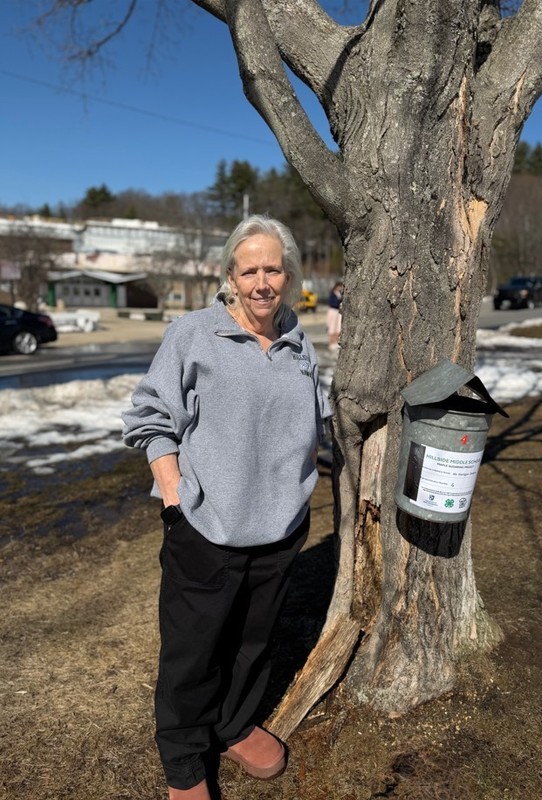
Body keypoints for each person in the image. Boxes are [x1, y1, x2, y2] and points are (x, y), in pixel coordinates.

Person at [122, 215, 331, 800]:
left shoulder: (296, 339)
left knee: (253, 641)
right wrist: (172, 495)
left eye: (273, 269)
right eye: (250, 270)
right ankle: (185, 757)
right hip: (205, 526)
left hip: (281, 527)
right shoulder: (194, 334)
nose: (262, 282)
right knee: (193, 648)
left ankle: (235, 724)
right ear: (230, 276)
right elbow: (149, 417)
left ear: (288, 275)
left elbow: (311, 416)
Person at [326, 281, 344, 351]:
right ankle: (331, 343)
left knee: (338, 327)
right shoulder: (333, 294)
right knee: (332, 326)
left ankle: (336, 342)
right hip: (333, 311)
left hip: (338, 311)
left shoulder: (340, 294)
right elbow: (332, 302)